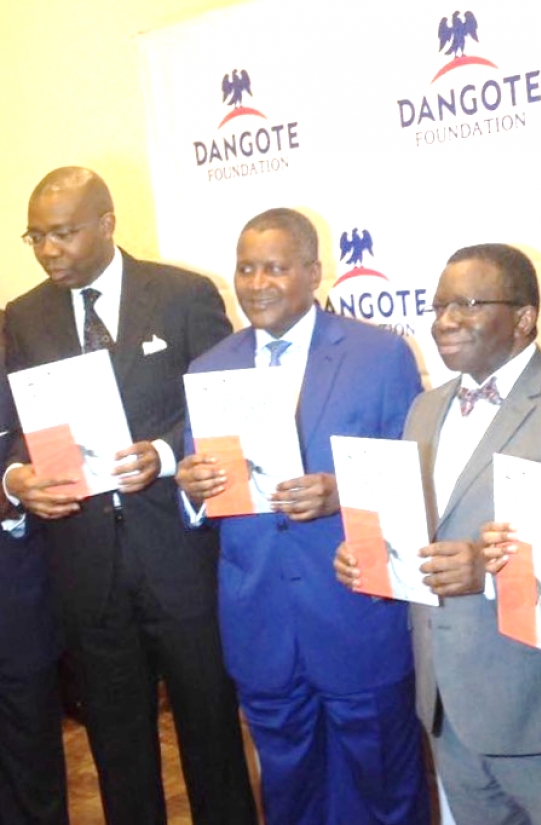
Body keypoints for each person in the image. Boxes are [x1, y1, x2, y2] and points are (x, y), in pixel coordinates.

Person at [3, 167, 256, 825]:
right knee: (117, 746)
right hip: (85, 564)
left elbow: (225, 403)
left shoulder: (181, 294)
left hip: (179, 551)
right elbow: (12, 432)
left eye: (63, 233)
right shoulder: (22, 318)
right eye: (36, 236)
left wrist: (167, 454)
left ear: (107, 223)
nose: (48, 250)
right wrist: (16, 478)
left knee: (210, 733)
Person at [336, 243, 541, 825]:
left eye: (466, 304)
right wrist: (369, 554)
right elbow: (418, 533)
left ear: (524, 318)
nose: (444, 322)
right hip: (445, 706)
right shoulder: (424, 409)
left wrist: (487, 572)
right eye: (438, 307)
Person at [176, 208, 430, 825]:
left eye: (275, 268)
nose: (256, 282)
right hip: (259, 624)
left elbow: (413, 485)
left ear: (314, 272)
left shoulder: (381, 356)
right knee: (289, 798)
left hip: (356, 615)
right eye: (245, 268)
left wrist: (341, 493)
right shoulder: (209, 368)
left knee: (386, 793)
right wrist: (191, 488)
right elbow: (203, 499)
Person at [0, 359, 68, 824]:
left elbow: (56, 469)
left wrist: (9, 497)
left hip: (15, 600)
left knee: (32, 759)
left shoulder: (24, 377)